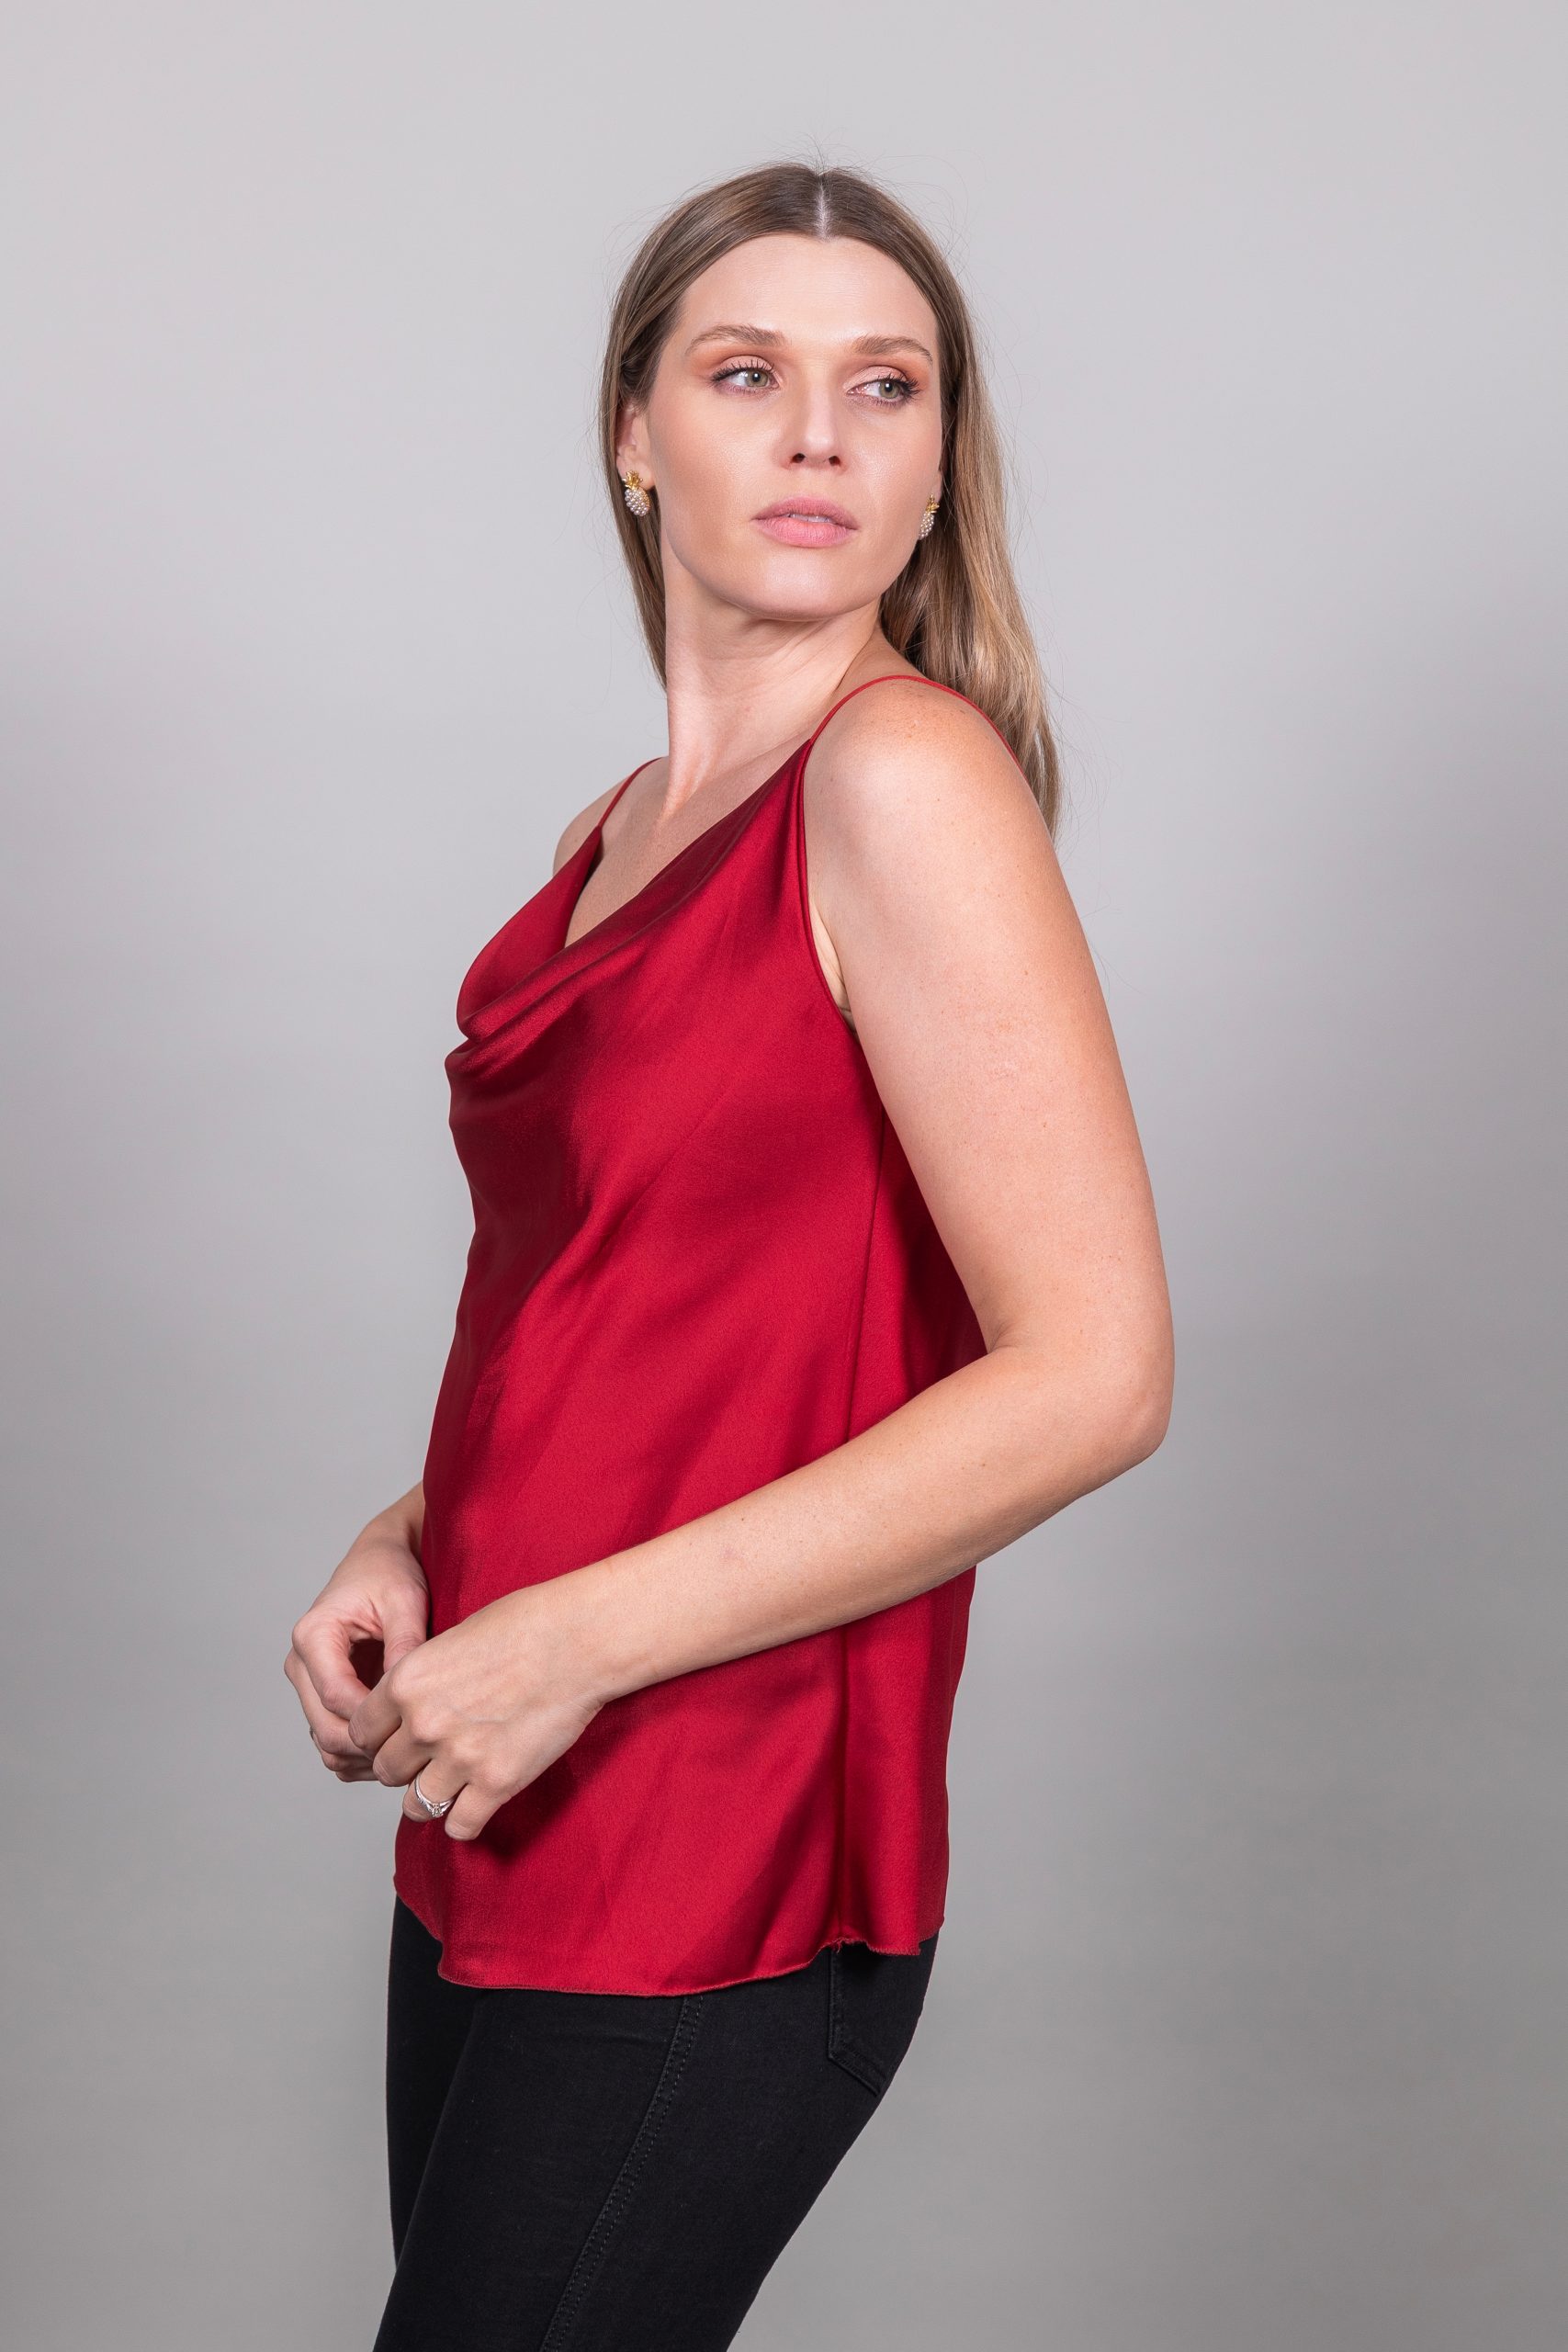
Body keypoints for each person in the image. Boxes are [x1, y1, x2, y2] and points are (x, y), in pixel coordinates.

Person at [284, 157, 1173, 2351]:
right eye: (745, 372)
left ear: (936, 464)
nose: (818, 436)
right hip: (509, 1777)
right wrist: (416, 1537)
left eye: (885, 386)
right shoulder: (614, 829)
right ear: (630, 431)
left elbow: (1092, 1369)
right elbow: (619, 1313)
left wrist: (569, 1632)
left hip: (727, 1838)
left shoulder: (899, 783)